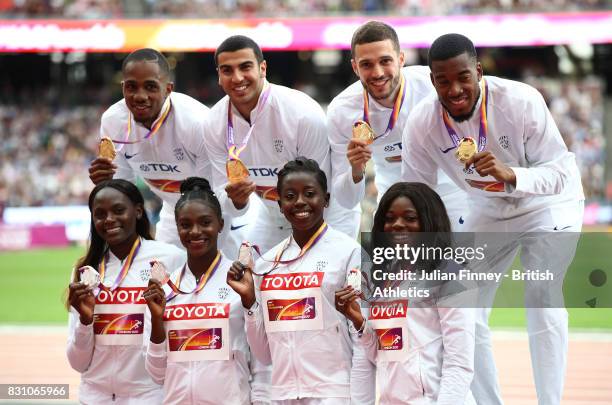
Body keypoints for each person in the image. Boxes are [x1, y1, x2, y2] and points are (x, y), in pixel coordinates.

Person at [401, 34, 584, 405]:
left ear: (479, 72)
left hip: (548, 204)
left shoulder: (520, 101)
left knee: (540, 291)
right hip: (486, 210)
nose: (454, 89)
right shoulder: (422, 124)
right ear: (432, 80)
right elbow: (417, 198)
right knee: (464, 306)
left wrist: (512, 174)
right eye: (442, 80)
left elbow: (561, 173)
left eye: (463, 77)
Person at [226, 157, 374, 404]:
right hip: (283, 395)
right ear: (280, 203)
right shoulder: (266, 265)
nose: (300, 202)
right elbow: (263, 354)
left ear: (326, 200)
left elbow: (363, 339)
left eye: (309, 193)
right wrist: (250, 302)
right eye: (290, 196)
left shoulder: (350, 253)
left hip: (334, 393)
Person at [203, 35, 359, 256]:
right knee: (251, 275)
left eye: (245, 67)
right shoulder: (213, 123)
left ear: (263, 68)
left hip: (328, 212)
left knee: (321, 283)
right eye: (227, 70)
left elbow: (320, 189)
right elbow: (222, 195)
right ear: (219, 76)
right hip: (273, 216)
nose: (237, 78)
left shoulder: (302, 113)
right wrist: (236, 202)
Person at [335, 182, 476, 404]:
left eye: (410, 218)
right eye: (389, 219)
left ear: (430, 222)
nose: (397, 225)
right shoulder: (377, 277)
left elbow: (459, 363)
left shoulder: (452, 272)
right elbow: (379, 356)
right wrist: (359, 322)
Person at [327, 21, 468, 228]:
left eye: (385, 61)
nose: (377, 73)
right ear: (355, 67)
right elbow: (347, 200)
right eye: (366, 64)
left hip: (452, 193)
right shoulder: (342, 111)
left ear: (401, 59)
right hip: (394, 201)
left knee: (461, 260)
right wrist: (356, 171)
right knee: (389, 260)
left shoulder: (434, 87)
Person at [143, 177, 269, 404]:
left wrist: (251, 304)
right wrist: (157, 320)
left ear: (221, 224)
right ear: (178, 227)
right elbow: (157, 374)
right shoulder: (164, 289)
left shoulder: (242, 283)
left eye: (205, 222)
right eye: (186, 224)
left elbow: (263, 357)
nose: (195, 232)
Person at [66, 179, 185, 404]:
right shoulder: (85, 270)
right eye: (100, 214)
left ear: (138, 211)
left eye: (119, 210)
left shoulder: (171, 258)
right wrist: (85, 320)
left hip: (150, 396)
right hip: (94, 397)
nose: (109, 219)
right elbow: (78, 363)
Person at [87, 48, 212, 248]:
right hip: (174, 211)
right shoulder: (113, 121)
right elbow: (123, 191)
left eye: (151, 87)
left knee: (214, 273)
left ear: (168, 89)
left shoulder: (196, 121)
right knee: (163, 274)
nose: (140, 96)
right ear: (122, 87)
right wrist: (106, 184)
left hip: (216, 211)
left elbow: (215, 191)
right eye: (131, 87)